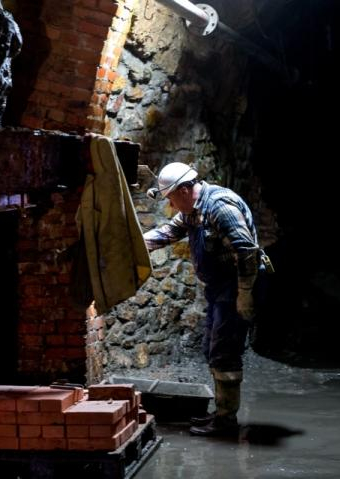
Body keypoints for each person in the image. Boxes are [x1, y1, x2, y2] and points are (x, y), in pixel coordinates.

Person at [143, 162, 260, 437]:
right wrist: (133, 242)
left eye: (171, 198)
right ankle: (222, 414)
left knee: (224, 352)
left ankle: (226, 421)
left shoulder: (219, 207)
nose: (171, 205)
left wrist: (245, 296)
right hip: (220, 289)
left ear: (185, 190)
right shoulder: (192, 212)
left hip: (236, 286)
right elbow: (167, 233)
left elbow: (246, 252)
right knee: (212, 348)